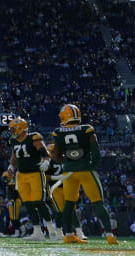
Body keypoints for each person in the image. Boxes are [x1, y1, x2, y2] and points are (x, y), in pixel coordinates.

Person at [50, 103, 118, 245]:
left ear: (64, 116)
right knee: (98, 203)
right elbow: (96, 153)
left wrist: (67, 161)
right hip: (85, 170)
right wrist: (92, 165)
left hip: (69, 172)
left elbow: (56, 157)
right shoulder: (87, 129)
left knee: (68, 205)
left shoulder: (58, 131)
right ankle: (110, 235)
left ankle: (68, 235)